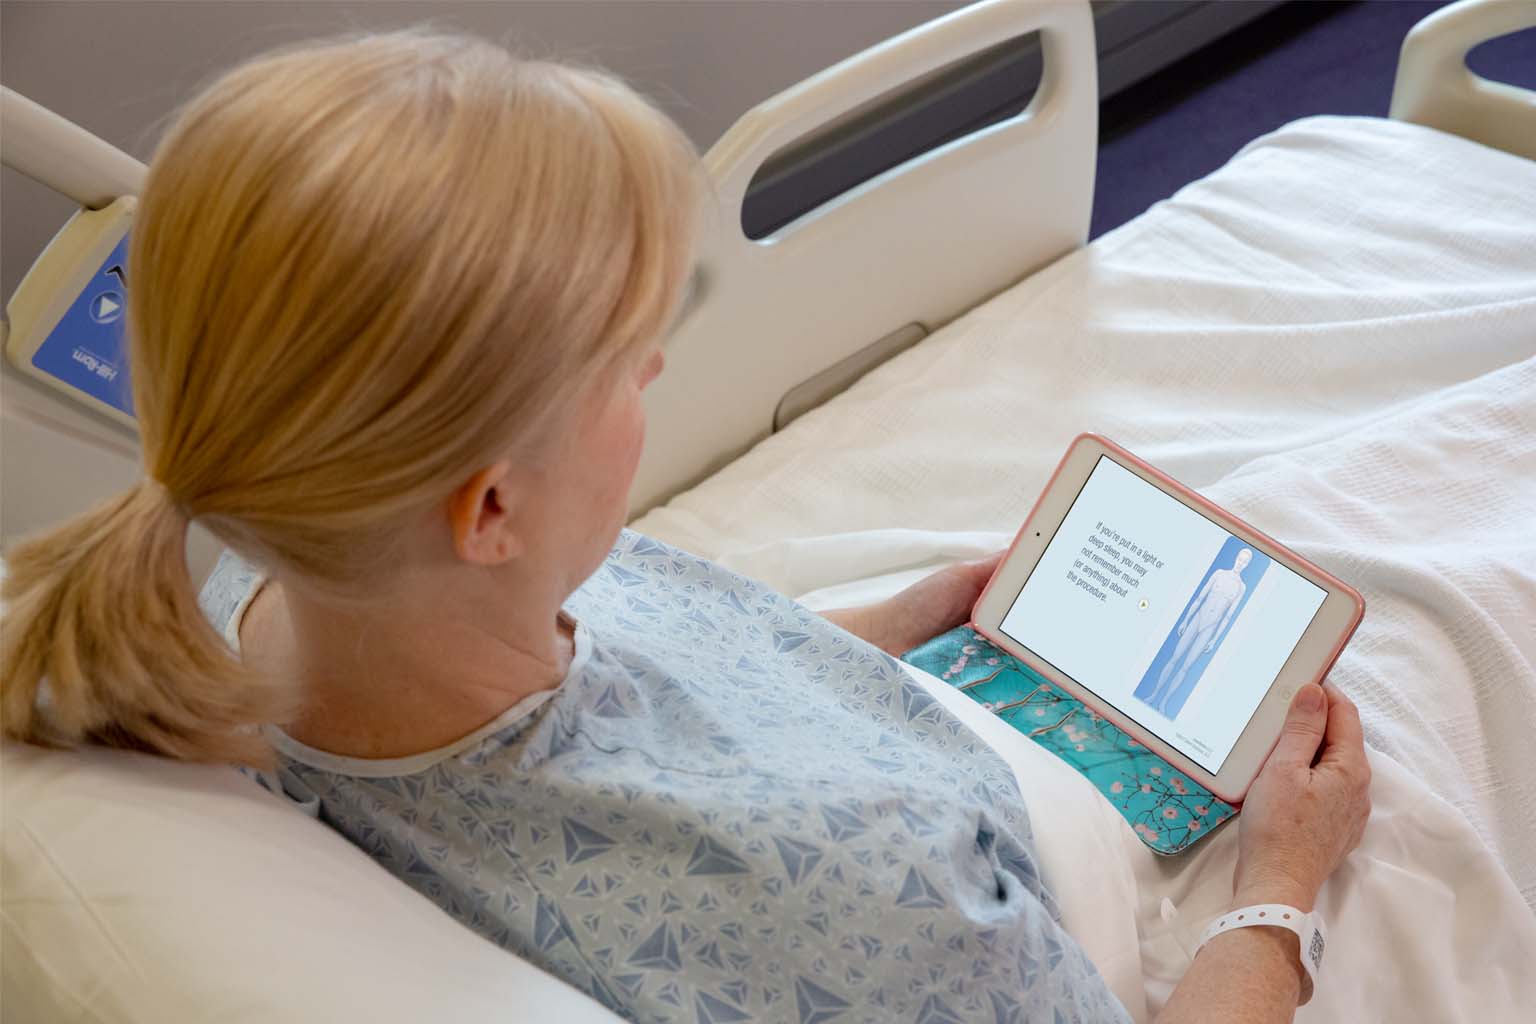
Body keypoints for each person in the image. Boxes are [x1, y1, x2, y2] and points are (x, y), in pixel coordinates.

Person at [0, 31, 1370, 1023]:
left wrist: (849, 643)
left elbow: (613, 668)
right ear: (488, 508)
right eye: (629, 359)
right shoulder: (878, 911)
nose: (656, 372)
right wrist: (1281, 889)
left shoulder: (256, 548)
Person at [1144, 548, 1254, 716]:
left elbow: (1227, 617)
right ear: (1236, 557)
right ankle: (1154, 694)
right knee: (1174, 659)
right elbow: (1199, 598)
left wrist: (1215, 640)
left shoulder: (1241, 587)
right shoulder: (1219, 574)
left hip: (1209, 629)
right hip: (1197, 620)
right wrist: (1185, 620)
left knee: (1185, 668)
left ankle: (1164, 701)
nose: (1241, 563)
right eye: (1240, 558)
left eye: (1245, 562)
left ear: (1248, 565)